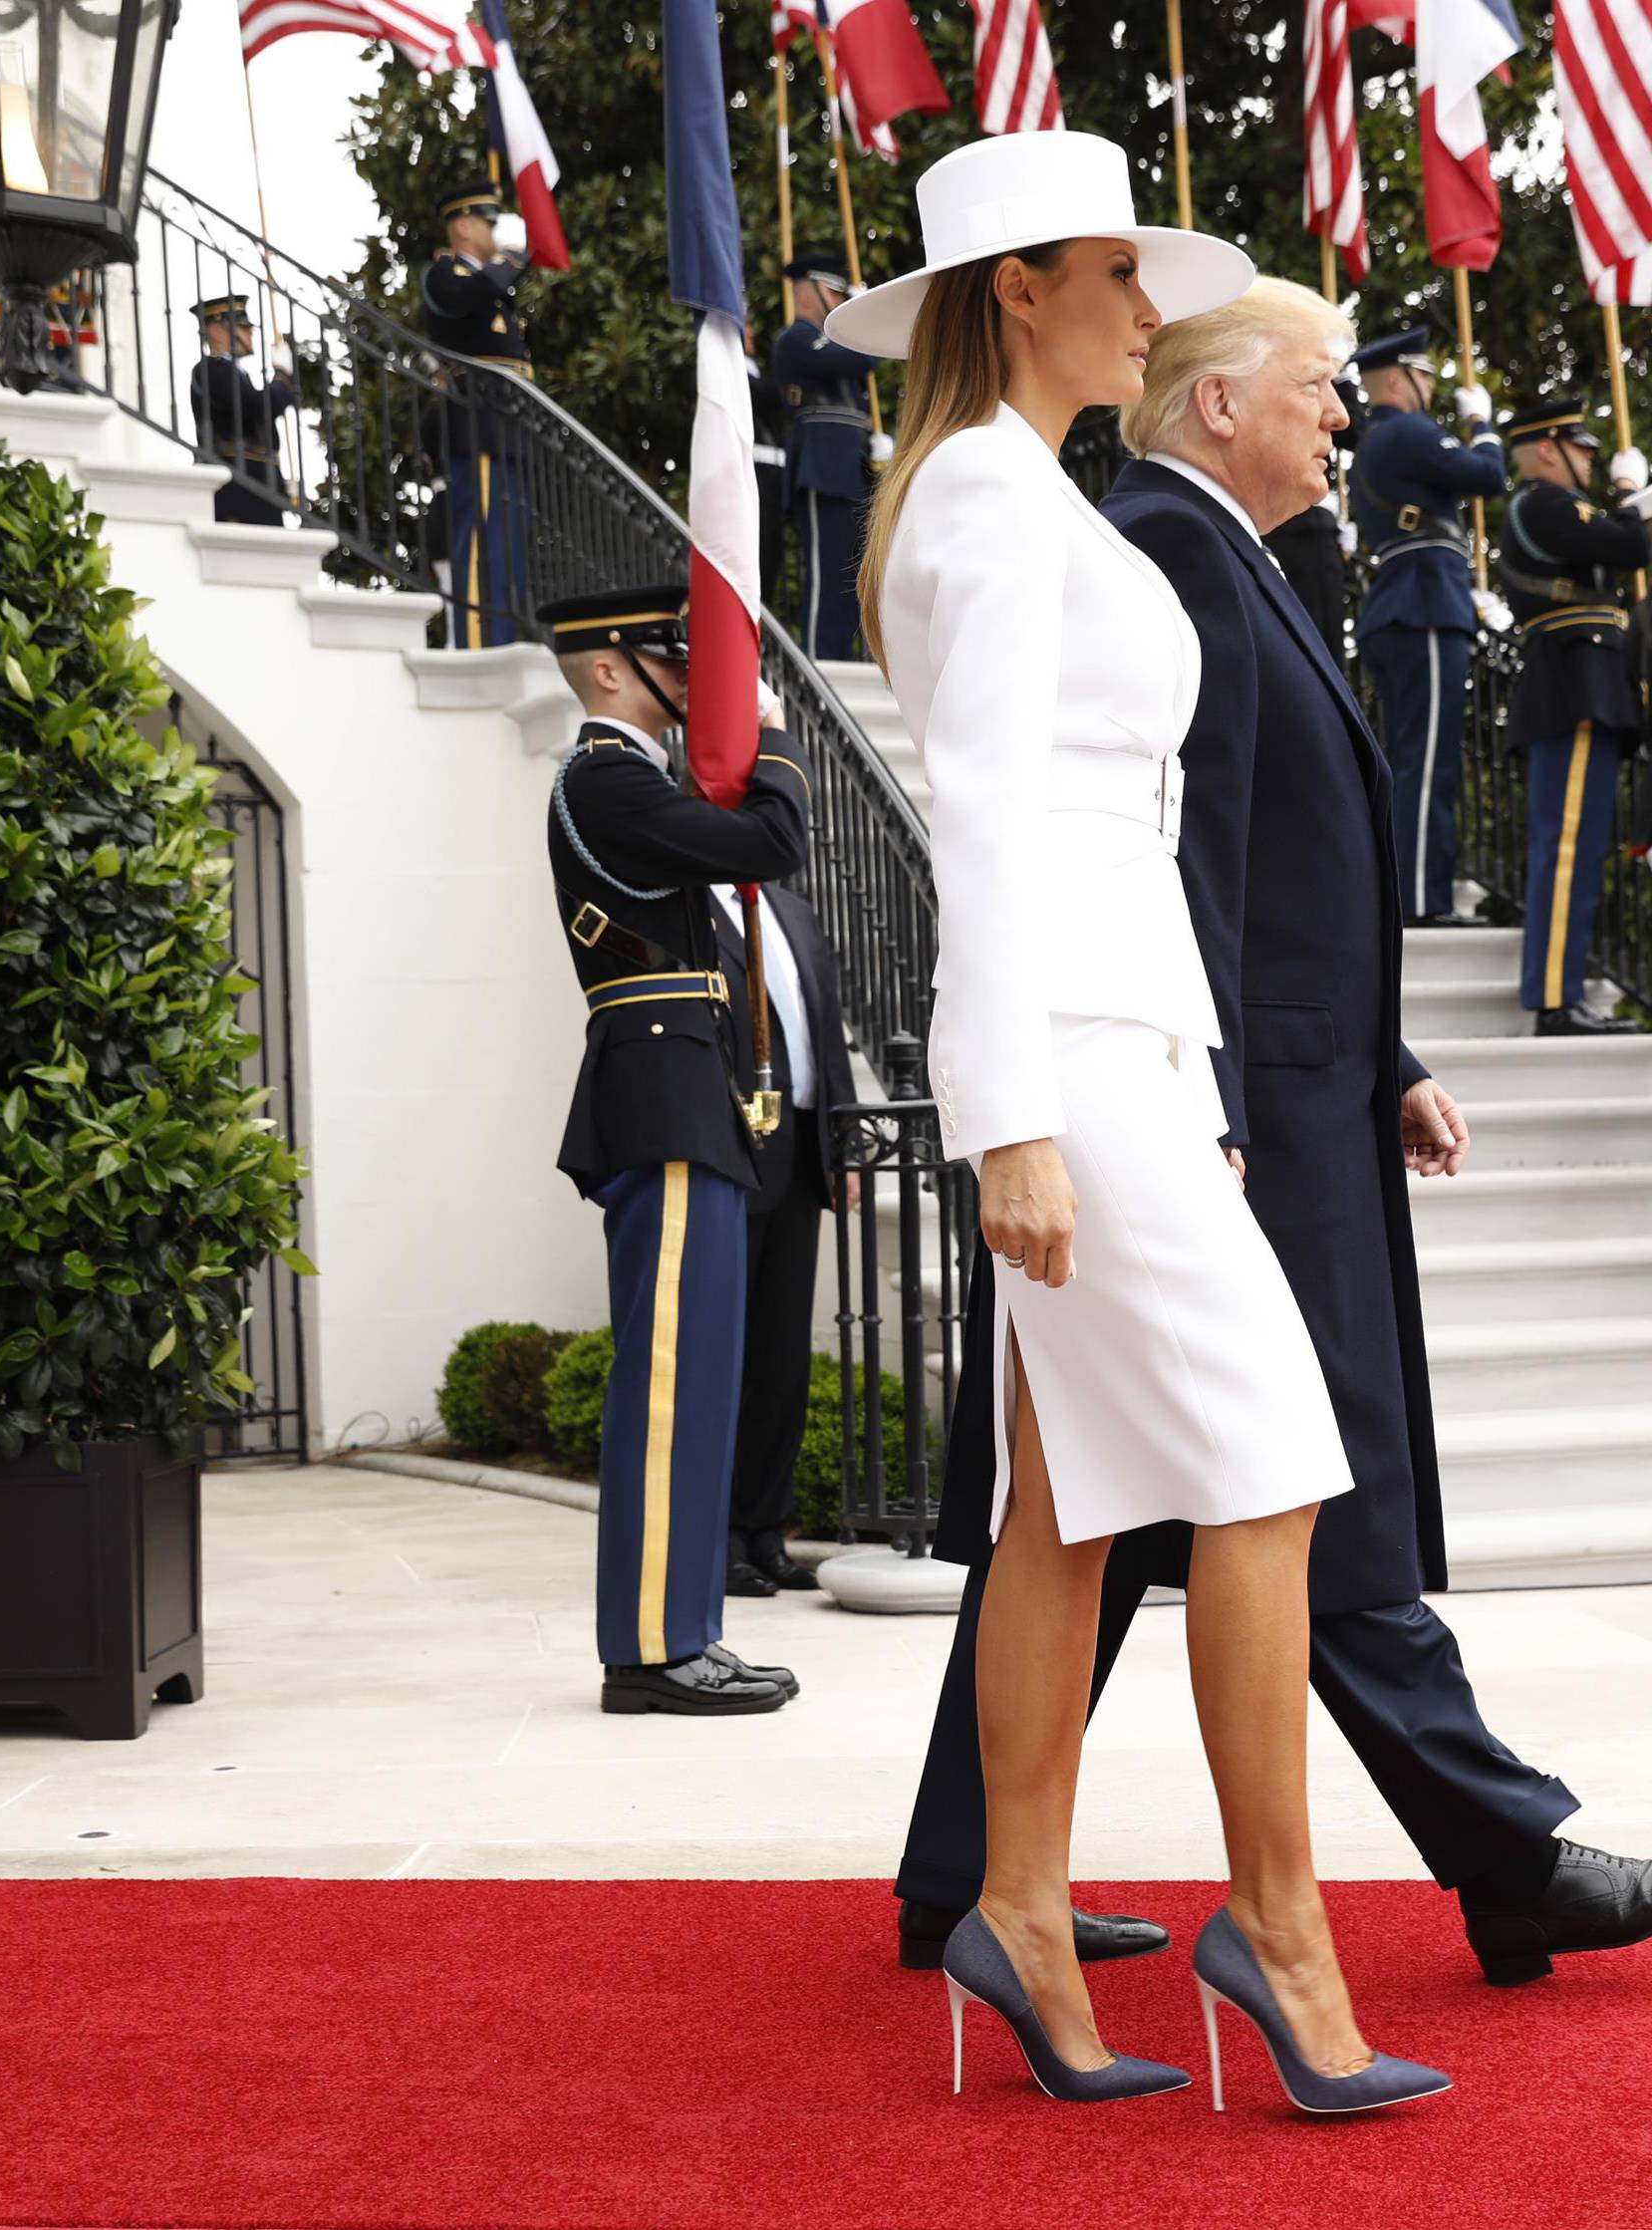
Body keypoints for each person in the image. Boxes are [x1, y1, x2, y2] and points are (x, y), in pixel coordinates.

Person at [893, 285, 1652, 2000]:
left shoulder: (1225, 549)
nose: (1344, 419)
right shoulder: (1161, 541)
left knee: (1093, 1501)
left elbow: (1283, 855)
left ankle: (967, 1874)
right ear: (1220, 402)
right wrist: (1212, 1112)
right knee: (1309, 1484)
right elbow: (1184, 856)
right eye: (1318, 389)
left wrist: (1377, 1052)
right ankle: (1503, 1851)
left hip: (1272, 1085)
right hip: (1213, 1105)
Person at [828, 132, 1447, 2112]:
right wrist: (1010, 1117)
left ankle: (1016, 1908)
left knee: (1069, 1514)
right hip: (1072, 1054)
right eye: (1118, 272)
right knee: (1267, 1468)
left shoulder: (1006, 494)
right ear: (1017, 287)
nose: (1149, 307)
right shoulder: (995, 508)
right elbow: (991, 830)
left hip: (1121, 1044)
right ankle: (1276, 1941)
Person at [541, 585, 814, 1716]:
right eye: (670, 659)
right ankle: (650, 1650)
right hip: (658, 1097)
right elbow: (771, 840)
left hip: (687, 1092)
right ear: (610, 670)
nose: (691, 681)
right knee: (664, 1381)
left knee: (699, 1379)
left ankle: (684, 1629)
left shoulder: (633, 783)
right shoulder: (604, 778)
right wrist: (774, 732)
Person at [708, 877, 856, 1597]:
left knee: (781, 1362)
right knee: (725, 1357)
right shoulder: (688, 904)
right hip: (731, 1156)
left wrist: (844, 1147)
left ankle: (766, 1534)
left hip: (798, 1157)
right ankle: (720, 1539)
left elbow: (826, 1035)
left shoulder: (792, 910)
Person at [1497, 393, 1652, 1036]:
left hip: (1584, 678)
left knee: (1579, 846)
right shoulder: (1545, 501)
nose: (1587, 457)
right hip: (1574, 680)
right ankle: (1555, 1001)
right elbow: (1630, 546)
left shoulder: (1557, 506)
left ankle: (1564, 992)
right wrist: (1632, 496)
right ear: (1545, 450)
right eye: (1578, 447)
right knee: (1566, 847)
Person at [1350, 326, 1506, 926]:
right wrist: (1482, 427)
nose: (1430, 391)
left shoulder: (1380, 442)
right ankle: (1420, 900)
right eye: (1425, 378)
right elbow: (1488, 476)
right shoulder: (1408, 431)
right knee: (1426, 762)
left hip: (1403, 600)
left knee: (1414, 757)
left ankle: (1412, 892)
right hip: (1425, 602)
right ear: (1397, 379)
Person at [422, 179, 534, 650]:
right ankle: (476, 637)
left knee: (507, 539)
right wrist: (510, 258)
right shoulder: (446, 274)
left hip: (506, 424)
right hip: (478, 420)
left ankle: (502, 633)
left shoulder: (490, 286)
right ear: (464, 227)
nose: (496, 230)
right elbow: (466, 298)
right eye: (489, 222)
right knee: (482, 533)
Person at [772, 252, 872, 663]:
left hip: (853, 470)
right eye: (834, 292)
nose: (839, 299)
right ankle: (821, 667)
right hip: (822, 468)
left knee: (855, 583)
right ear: (808, 294)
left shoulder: (839, 341)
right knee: (826, 580)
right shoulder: (795, 340)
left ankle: (844, 662)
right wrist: (863, 318)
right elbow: (857, 356)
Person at [1262, 371, 1361, 663]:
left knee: (1326, 650)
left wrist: (1339, 379)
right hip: (1291, 525)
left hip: (1313, 521)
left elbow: (1351, 434)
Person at [187, 295, 294, 527]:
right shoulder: (212, 369)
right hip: (238, 489)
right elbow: (258, 408)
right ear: (216, 330)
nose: (250, 333)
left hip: (256, 487)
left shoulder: (235, 373)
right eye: (243, 328)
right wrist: (282, 377)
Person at [744, 323, 789, 620]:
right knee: (758, 554)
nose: (751, 336)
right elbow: (770, 396)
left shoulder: (753, 370)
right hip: (756, 470)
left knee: (771, 554)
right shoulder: (734, 371)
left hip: (773, 470)